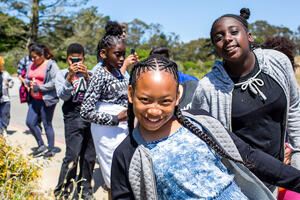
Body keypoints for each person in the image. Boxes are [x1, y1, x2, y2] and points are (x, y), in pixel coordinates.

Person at [111, 54, 300, 200]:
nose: (154, 110)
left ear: (178, 96)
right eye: (145, 100)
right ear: (130, 93)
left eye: (165, 101)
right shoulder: (127, 154)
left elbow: (249, 157)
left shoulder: (200, 122)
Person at [191, 8, 300, 193]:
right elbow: (203, 141)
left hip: (286, 172)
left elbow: (295, 109)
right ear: (216, 48)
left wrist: (297, 154)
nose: (227, 39)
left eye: (234, 32)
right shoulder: (208, 88)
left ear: (249, 36)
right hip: (242, 186)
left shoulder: (278, 62)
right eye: (219, 37)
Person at [80, 31, 128, 189]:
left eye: (123, 54)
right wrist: (115, 119)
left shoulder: (117, 72)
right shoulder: (99, 75)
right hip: (107, 131)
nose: (122, 58)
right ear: (103, 53)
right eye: (117, 54)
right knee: (114, 175)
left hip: (122, 129)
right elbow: (85, 112)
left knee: (124, 171)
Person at [54, 43, 96, 199]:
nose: (76, 63)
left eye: (79, 59)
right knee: (72, 155)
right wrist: (70, 77)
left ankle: (85, 190)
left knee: (89, 156)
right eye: (73, 60)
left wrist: (87, 77)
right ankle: (63, 190)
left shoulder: (90, 73)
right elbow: (63, 96)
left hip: (90, 116)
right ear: (67, 60)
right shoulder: (62, 74)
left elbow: (95, 95)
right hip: (73, 115)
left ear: (84, 58)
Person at [25, 43, 59, 158]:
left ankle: (50, 149)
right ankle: (41, 145)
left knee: (47, 124)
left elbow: (55, 82)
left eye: (35, 57)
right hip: (34, 99)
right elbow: (27, 77)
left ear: (42, 55)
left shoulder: (51, 65)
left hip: (47, 99)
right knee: (30, 122)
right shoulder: (31, 64)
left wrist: (40, 87)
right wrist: (28, 84)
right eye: (31, 57)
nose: (33, 59)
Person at [0, 64, 14, 135]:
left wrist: (8, 84)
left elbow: (11, 82)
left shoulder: (5, 74)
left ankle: (4, 129)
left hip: (5, 98)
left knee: (5, 114)